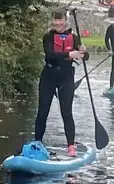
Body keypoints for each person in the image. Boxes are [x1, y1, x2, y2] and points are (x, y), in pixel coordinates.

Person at [34, 11, 86, 154]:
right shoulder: (48, 37)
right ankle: (37, 143)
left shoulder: (74, 38)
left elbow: (84, 57)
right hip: (49, 76)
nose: (57, 23)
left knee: (67, 112)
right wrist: (70, 54)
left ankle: (71, 146)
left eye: (60, 20)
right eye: (55, 20)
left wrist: (83, 51)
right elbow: (50, 54)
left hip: (66, 77)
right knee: (42, 111)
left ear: (65, 20)